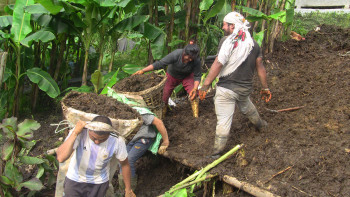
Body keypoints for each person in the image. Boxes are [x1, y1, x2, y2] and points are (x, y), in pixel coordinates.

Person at [199, 12, 272, 158]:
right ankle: (261, 125)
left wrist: (205, 85)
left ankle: (216, 153)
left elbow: (218, 63)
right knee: (245, 105)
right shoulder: (254, 45)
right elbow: (261, 68)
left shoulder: (228, 42)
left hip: (226, 89)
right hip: (244, 89)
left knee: (224, 120)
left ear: (232, 26)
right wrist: (265, 88)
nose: (223, 27)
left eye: (225, 24)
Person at [56, 116, 136, 197]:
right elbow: (61, 157)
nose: (97, 142)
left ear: (109, 134)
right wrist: (75, 133)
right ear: (89, 130)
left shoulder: (117, 140)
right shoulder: (80, 133)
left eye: (102, 139)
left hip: (99, 183)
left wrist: (128, 189)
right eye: (94, 138)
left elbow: (125, 164)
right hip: (75, 179)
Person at [133, 43, 201, 117]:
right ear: (184, 53)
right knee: (164, 97)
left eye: (192, 59)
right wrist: (143, 70)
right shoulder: (176, 54)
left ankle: (196, 117)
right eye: (189, 57)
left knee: (194, 94)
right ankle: (162, 116)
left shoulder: (196, 61)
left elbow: (197, 76)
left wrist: (195, 88)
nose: (190, 60)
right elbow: (160, 63)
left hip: (187, 76)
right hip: (172, 76)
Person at [118, 112, 169, 192]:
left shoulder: (141, 111)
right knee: (122, 160)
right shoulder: (123, 110)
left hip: (143, 138)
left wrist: (165, 141)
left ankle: (131, 191)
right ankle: (123, 190)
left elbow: (158, 122)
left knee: (129, 160)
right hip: (132, 139)